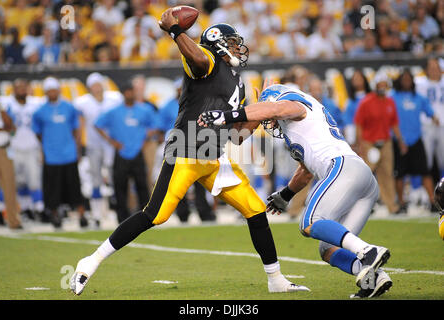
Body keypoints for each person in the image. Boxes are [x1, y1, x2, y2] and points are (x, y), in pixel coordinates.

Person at [70, 13, 309, 296]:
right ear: (217, 44)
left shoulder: (237, 82)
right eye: (232, 43)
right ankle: (91, 260)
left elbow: (237, 135)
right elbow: (195, 56)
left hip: (215, 157)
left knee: (256, 211)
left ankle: (276, 279)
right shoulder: (205, 61)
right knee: (155, 215)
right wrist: (175, 31)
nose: (237, 48)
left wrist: (259, 112)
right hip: (186, 151)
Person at [199, 82, 393, 298]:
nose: (268, 121)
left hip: (343, 168)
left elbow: (276, 109)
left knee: (309, 222)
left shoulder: (297, 104)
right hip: (362, 180)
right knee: (328, 250)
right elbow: (306, 172)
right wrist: (286, 195)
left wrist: (225, 116)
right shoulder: (297, 124)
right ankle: (375, 278)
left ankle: (368, 251)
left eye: (268, 111)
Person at [94, 82, 156, 224]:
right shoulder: (114, 111)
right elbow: (97, 124)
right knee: (120, 186)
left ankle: (145, 215)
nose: (130, 94)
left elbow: (155, 125)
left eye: (131, 92)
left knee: (142, 185)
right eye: (127, 92)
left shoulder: (144, 110)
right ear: (123, 94)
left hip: (137, 152)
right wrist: (111, 141)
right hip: (121, 152)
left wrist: (145, 140)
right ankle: (122, 217)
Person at [157, 77, 216, 223]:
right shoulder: (168, 105)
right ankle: (182, 213)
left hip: (196, 143)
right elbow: (159, 127)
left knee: (199, 179)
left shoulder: (197, 102)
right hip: (176, 144)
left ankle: (204, 212)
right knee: (178, 180)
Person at [31, 77, 87, 228]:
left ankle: (82, 216)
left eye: (54, 90)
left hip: (68, 154)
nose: (52, 93)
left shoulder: (69, 107)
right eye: (49, 90)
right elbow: (37, 132)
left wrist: (78, 150)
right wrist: (45, 148)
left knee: (75, 187)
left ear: (59, 90)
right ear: (45, 92)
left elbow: (77, 130)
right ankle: (56, 217)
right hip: (51, 156)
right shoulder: (40, 112)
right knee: (52, 190)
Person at [73, 72, 123, 227]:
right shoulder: (83, 102)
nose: (97, 88)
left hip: (111, 144)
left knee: (115, 178)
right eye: (93, 85)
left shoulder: (114, 99)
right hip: (94, 145)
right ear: (89, 88)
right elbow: (80, 125)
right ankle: (96, 214)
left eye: (98, 84)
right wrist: (79, 146)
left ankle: (116, 212)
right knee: (95, 179)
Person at [354, 72, 406, 214]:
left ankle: (392, 206)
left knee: (387, 174)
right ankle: (359, 205)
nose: (383, 87)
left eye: (385, 84)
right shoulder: (366, 101)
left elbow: (394, 124)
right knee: (366, 174)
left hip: (386, 142)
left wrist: (400, 141)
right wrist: (360, 145)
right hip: (369, 142)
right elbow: (359, 124)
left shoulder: (390, 102)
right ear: (375, 85)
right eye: (380, 84)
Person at [391, 69, 440, 212]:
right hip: (399, 140)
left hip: (416, 139)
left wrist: (435, 118)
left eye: (408, 79)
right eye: (404, 79)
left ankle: (432, 202)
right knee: (400, 174)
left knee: (425, 171)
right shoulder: (393, 97)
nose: (406, 81)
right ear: (399, 81)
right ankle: (401, 203)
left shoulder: (419, 97)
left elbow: (430, 111)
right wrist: (399, 139)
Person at [4, 78, 44, 220]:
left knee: (34, 180)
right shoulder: (7, 104)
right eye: (18, 87)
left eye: (23, 87)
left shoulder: (36, 104)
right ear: (13, 89)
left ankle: (39, 209)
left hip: (32, 147)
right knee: (17, 181)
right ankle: (24, 209)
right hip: (13, 148)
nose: (21, 90)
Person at [0, 78, 22, 230]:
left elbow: (11, 126)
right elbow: (5, 128)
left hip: (5, 149)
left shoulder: (4, 105)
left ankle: (13, 221)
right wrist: (2, 129)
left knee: (9, 187)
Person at [415, 58, 444, 181]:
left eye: (436, 67)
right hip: (426, 125)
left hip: (443, 125)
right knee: (425, 159)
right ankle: (424, 188)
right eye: (431, 68)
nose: (434, 70)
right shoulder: (419, 83)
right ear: (426, 70)